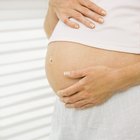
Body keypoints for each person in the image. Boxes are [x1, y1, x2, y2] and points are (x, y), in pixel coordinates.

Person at [44, 0, 140, 139]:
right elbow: (52, 33)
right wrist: (53, 6)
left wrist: (117, 78)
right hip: (68, 107)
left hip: (121, 92)